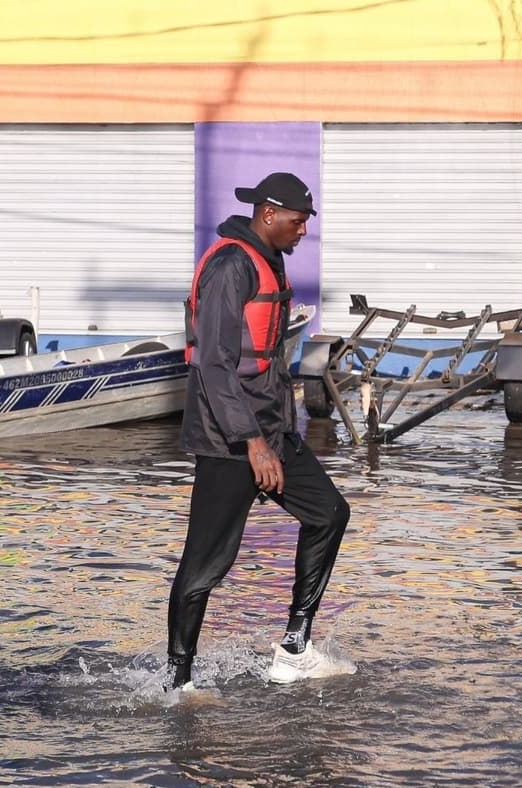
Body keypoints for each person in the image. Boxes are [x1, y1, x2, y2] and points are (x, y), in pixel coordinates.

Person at [166, 172, 353, 690]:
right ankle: (177, 684)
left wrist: (271, 437)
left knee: (329, 512)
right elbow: (217, 365)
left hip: (270, 432)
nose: (302, 232)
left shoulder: (268, 261)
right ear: (269, 214)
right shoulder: (230, 266)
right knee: (205, 565)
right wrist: (251, 443)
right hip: (228, 440)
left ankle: (294, 647)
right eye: (297, 222)